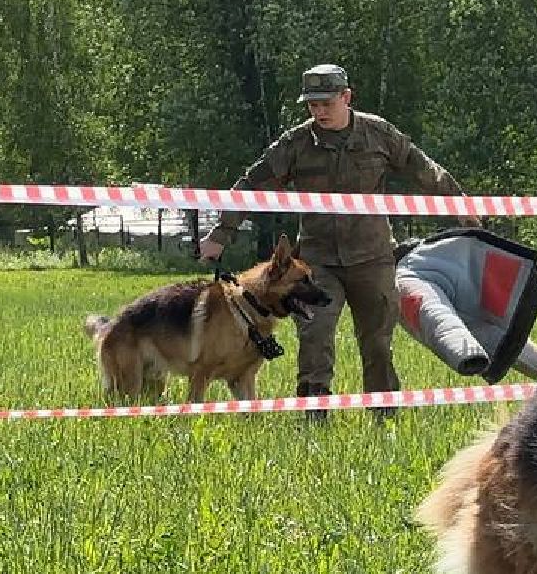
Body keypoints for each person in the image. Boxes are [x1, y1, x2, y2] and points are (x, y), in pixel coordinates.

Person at [199, 63, 479, 408]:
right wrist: (220, 234)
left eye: (326, 103)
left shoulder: (379, 134)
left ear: (347, 97)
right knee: (315, 338)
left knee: (377, 342)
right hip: (317, 264)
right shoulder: (295, 144)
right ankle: (314, 413)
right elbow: (250, 186)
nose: (319, 112)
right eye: (312, 105)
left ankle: (384, 413)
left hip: (372, 258)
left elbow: (424, 170)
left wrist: (460, 204)